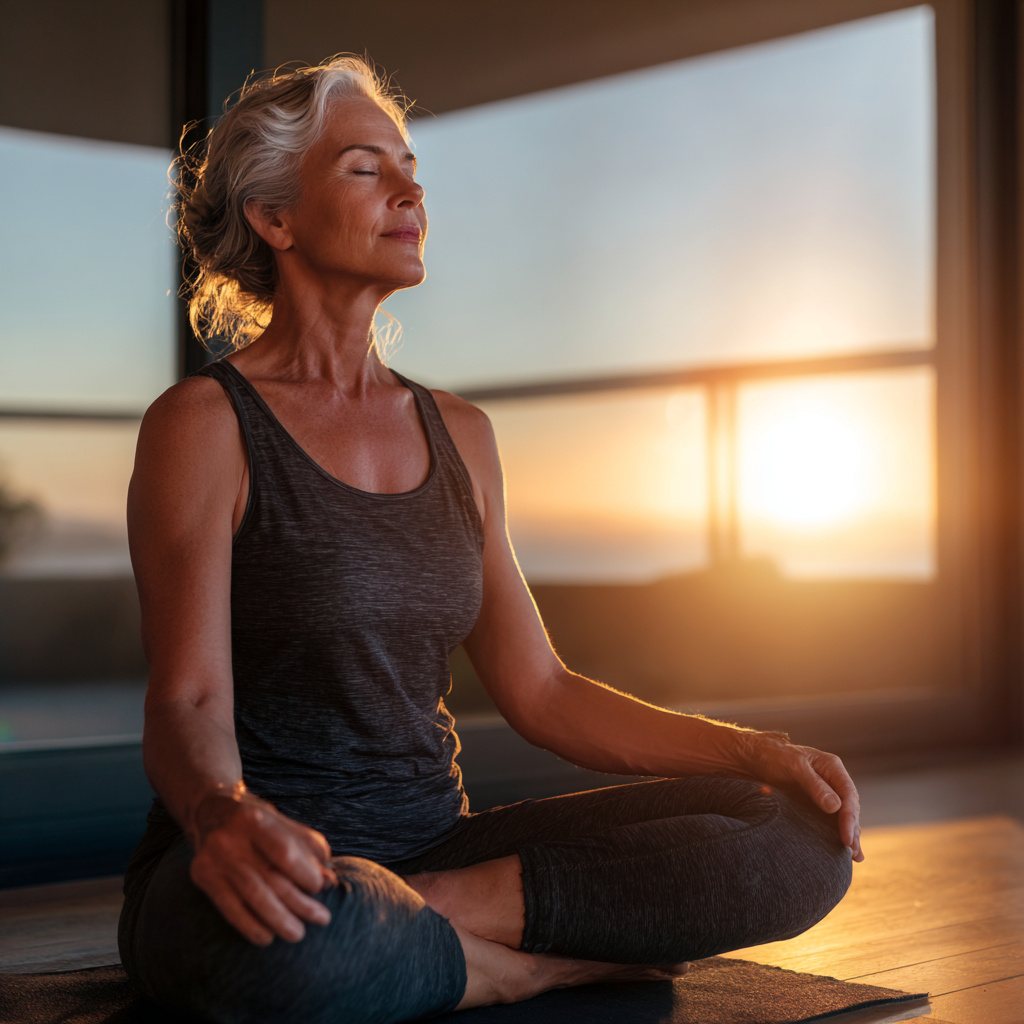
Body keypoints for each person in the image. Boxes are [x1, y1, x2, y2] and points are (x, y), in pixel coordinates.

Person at [118, 56, 862, 1024]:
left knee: (797, 832)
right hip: (268, 869)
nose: (409, 188)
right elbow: (188, 697)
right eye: (363, 167)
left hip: (434, 851)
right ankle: (518, 966)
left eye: (409, 164)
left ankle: (425, 930)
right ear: (276, 217)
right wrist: (221, 813)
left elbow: (540, 690)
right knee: (280, 949)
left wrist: (752, 749)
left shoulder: (460, 433)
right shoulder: (204, 424)